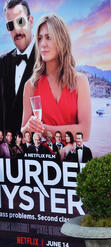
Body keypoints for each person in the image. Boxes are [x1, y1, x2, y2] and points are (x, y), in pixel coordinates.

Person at [21, 13, 91, 141]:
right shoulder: (30, 86)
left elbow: (85, 133)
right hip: (42, 159)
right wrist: (28, 127)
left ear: (62, 40)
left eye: (49, 37)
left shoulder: (80, 81)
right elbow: (24, 136)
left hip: (73, 159)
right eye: (40, 38)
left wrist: (43, 129)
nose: (43, 44)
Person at [0, 0, 35, 134]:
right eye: (10, 25)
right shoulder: (2, 62)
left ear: (30, 21)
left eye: (20, 22)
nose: (17, 30)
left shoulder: (47, 60)